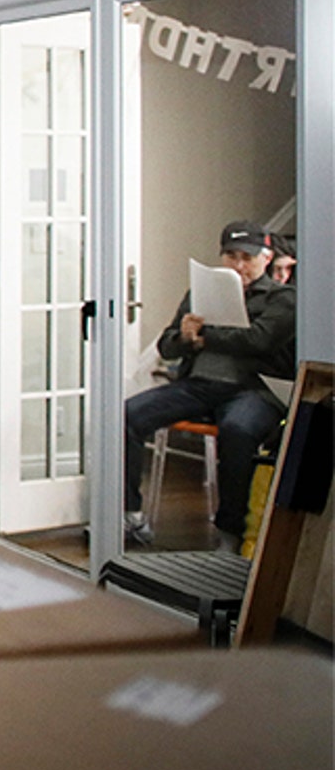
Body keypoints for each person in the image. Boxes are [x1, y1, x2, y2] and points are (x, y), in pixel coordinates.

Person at [124, 220, 297, 551]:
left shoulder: (282, 299)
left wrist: (205, 336)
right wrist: (186, 338)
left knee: (238, 431)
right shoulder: (200, 293)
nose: (239, 265)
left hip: (255, 390)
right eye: (231, 256)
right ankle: (129, 514)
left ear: (266, 257)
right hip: (200, 385)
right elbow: (167, 346)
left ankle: (230, 533)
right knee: (129, 415)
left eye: (246, 257)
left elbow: (258, 341)